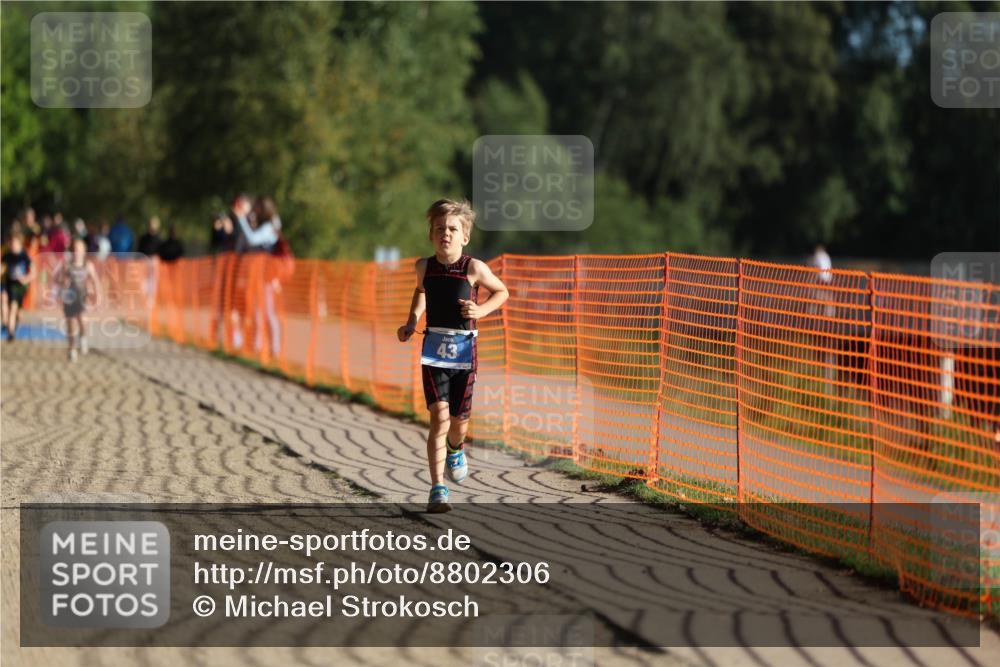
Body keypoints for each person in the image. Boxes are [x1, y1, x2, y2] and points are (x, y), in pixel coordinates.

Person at [397, 199, 508, 512]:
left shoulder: (473, 268)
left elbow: (502, 291)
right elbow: (420, 292)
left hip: (464, 356)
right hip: (434, 355)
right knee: (439, 417)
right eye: (439, 229)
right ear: (431, 235)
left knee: (459, 423)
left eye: (452, 229)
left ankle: (456, 448)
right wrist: (411, 322)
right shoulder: (424, 268)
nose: (445, 234)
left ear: (465, 236)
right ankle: (437, 488)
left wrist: (481, 310)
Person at [53, 236, 100, 361]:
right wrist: (63, 282)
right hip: (68, 297)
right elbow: (57, 279)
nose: (77, 252)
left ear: (84, 251)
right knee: (70, 324)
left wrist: (97, 295)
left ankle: (83, 338)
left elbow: (95, 281)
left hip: (82, 296)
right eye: (75, 249)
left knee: (82, 319)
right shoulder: (66, 265)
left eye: (80, 249)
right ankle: (72, 349)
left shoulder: (88, 265)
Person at [1, 233, 35, 340]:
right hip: (8, 283)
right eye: (11, 244)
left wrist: (26, 279)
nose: (12, 246)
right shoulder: (7, 255)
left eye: (15, 244)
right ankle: (8, 327)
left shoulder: (24, 256)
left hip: (19, 286)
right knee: (3, 298)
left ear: (20, 244)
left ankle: (12, 327)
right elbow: (2, 268)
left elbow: (33, 272)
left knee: (15, 309)